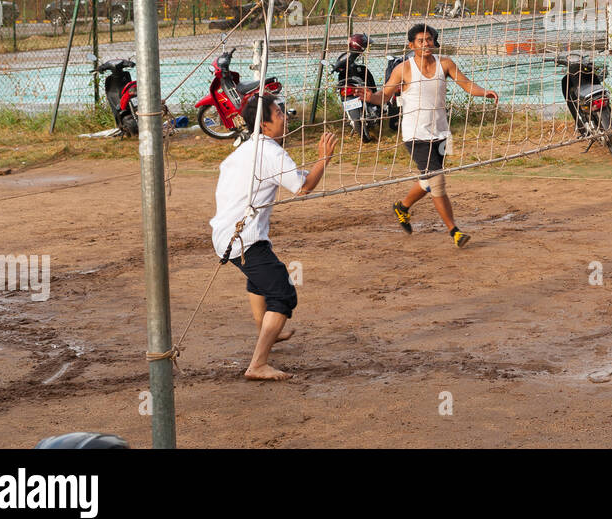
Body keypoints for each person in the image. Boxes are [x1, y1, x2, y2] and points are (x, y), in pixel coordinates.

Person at [209, 94, 338, 380]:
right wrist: (324, 159)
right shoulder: (271, 152)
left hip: (226, 234)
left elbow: (298, 179)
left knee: (260, 282)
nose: (285, 116)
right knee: (282, 294)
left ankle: (267, 331)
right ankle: (257, 364)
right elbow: (302, 188)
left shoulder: (249, 149)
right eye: (278, 113)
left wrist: (318, 166)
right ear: (264, 125)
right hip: (243, 238)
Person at [364, 23, 498, 247]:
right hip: (415, 135)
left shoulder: (445, 64)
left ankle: (403, 207)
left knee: (429, 180)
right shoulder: (403, 69)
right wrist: (369, 97)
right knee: (437, 181)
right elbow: (384, 96)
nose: (426, 44)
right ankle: (455, 231)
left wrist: (484, 92)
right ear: (411, 45)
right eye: (420, 40)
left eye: (429, 39)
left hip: (442, 132)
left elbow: (466, 85)